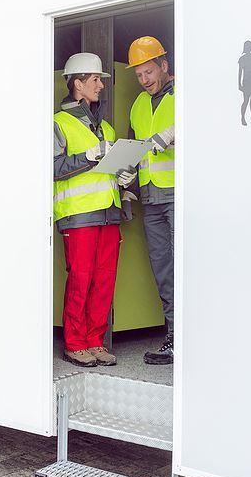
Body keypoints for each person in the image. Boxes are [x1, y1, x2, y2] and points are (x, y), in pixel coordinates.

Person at [53, 53, 133, 367]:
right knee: (81, 280)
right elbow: (53, 168)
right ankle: (75, 343)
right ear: (77, 83)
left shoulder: (107, 129)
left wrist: (125, 177)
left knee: (103, 281)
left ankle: (95, 342)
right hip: (78, 215)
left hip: (109, 214)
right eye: (96, 80)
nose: (101, 86)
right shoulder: (58, 124)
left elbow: (110, 170)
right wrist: (89, 154)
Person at [126, 36, 176, 365]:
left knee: (191, 266)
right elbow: (134, 150)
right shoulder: (138, 106)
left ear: (164, 65)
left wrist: (174, 132)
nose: (144, 81)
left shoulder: (188, 94)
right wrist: (127, 182)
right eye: (139, 75)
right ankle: (175, 337)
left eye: (149, 72)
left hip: (180, 193)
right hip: (151, 197)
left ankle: (205, 336)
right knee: (164, 269)